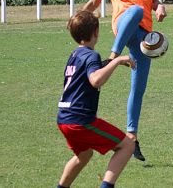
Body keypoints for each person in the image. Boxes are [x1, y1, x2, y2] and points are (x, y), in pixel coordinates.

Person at [83, 0, 167, 161]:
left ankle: (132, 137)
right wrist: (78, 18)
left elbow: (154, 1)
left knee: (138, 89)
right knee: (136, 10)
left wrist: (160, 8)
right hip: (124, 24)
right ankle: (112, 56)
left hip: (144, 37)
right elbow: (94, 2)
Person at [57, 11, 136, 188]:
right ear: (96, 32)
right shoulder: (92, 55)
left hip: (63, 118)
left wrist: (109, 62)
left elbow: (88, 72)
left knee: (84, 155)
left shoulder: (75, 54)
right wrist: (116, 61)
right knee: (127, 146)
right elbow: (95, 80)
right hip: (80, 120)